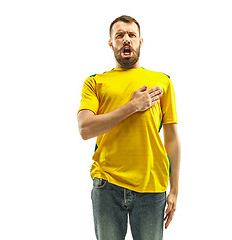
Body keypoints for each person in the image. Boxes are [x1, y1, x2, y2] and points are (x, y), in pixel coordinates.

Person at [77, 15, 181, 240]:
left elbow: (172, 139)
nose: (126, 40)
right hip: (107, 185)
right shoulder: (95, 82)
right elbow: (85, 129)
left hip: (151, 187)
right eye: (120, 35)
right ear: (111, 43)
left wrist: (174, 190)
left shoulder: (162, 81)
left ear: (140, 41)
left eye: (132, 35)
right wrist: (133, 106)